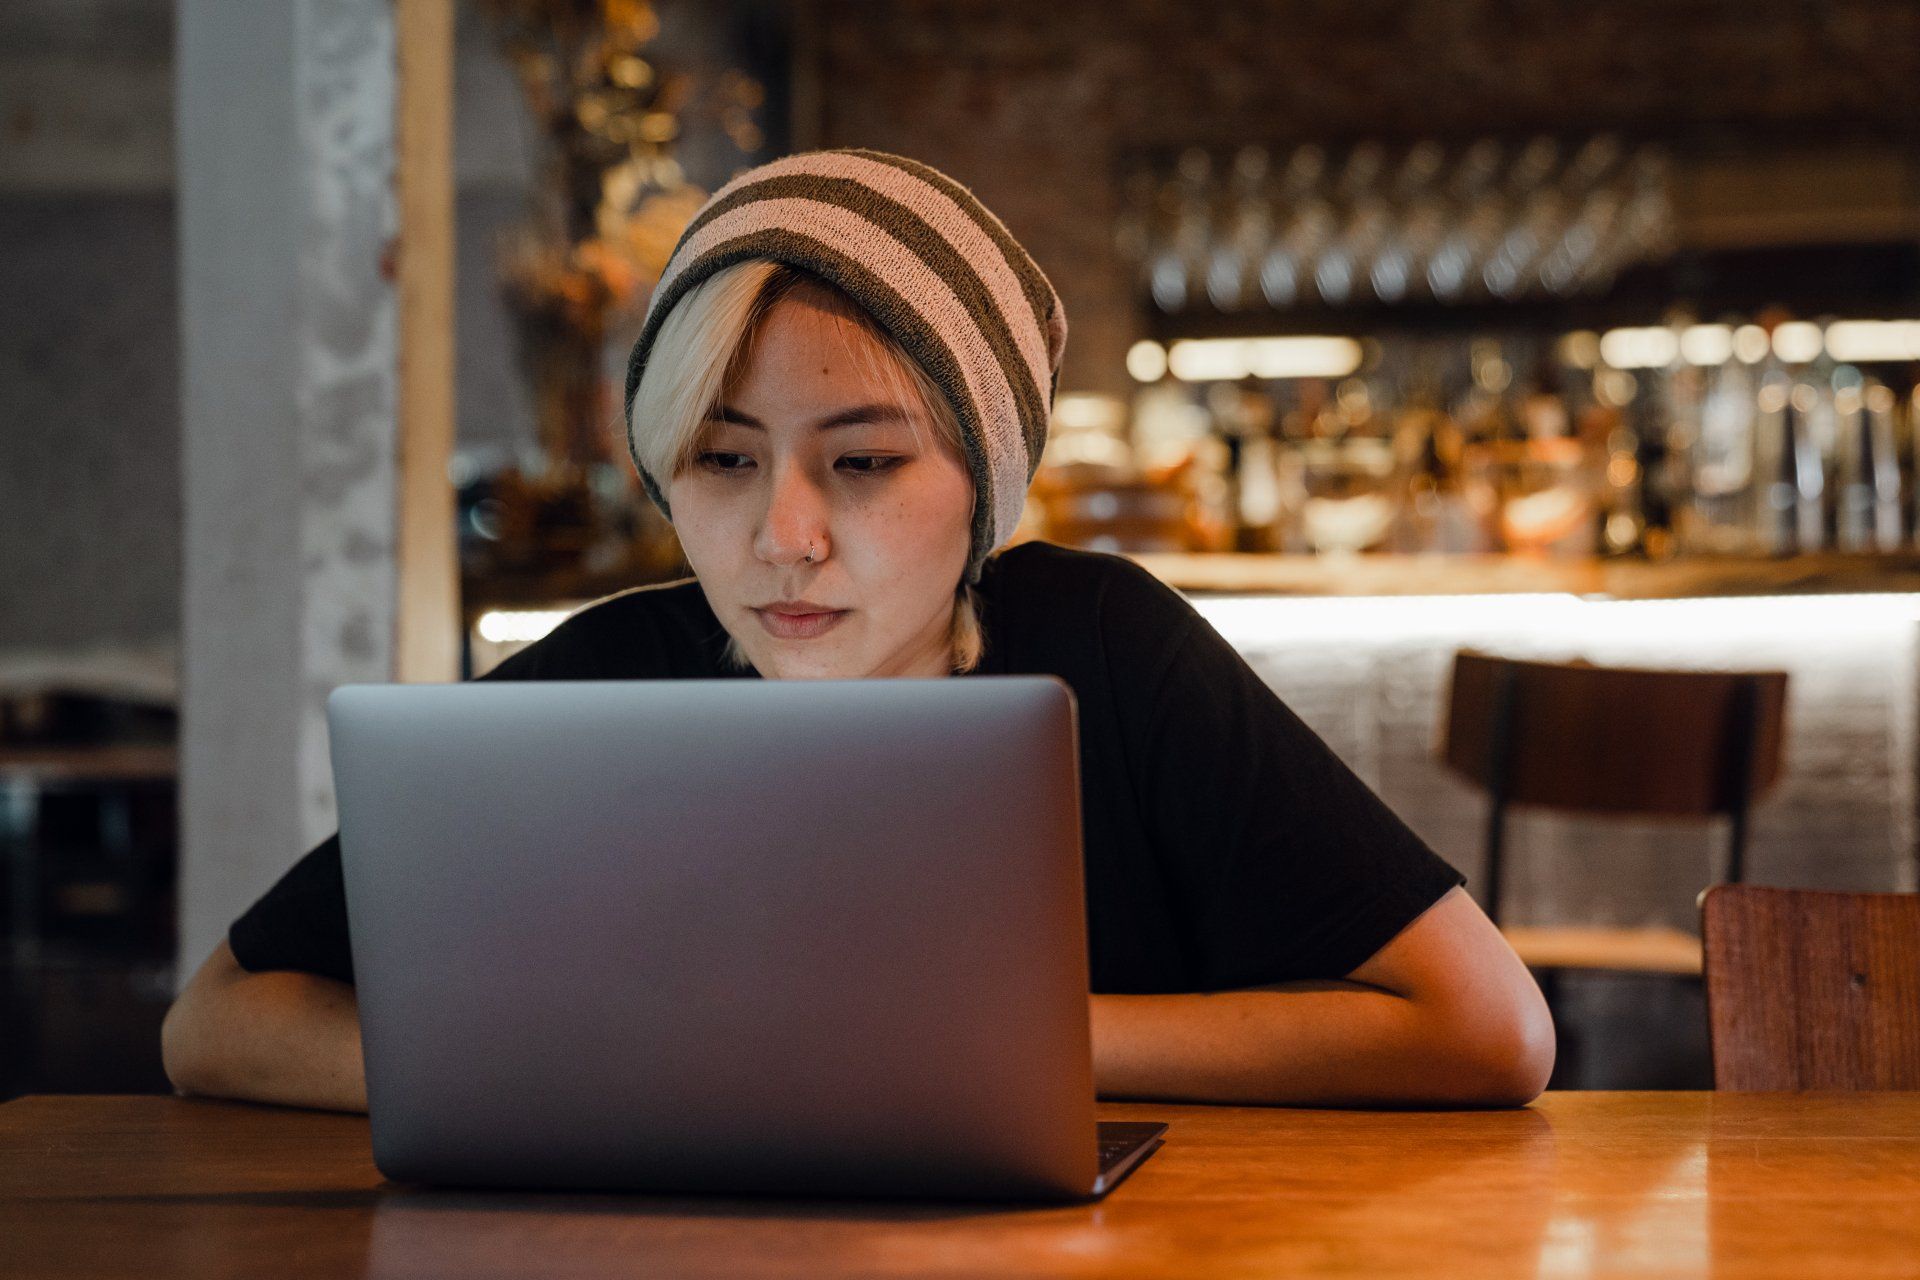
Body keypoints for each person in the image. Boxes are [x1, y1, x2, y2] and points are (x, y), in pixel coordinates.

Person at [163, 149, 1554, 1114]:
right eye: (721, 460)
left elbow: (1489, 1030)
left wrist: (945, 1047)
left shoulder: (1112, 656)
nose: (784, 535)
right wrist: (611, 1068)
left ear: (986, 487)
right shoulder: (590, 684)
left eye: (867, 462)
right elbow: (218, 1023)